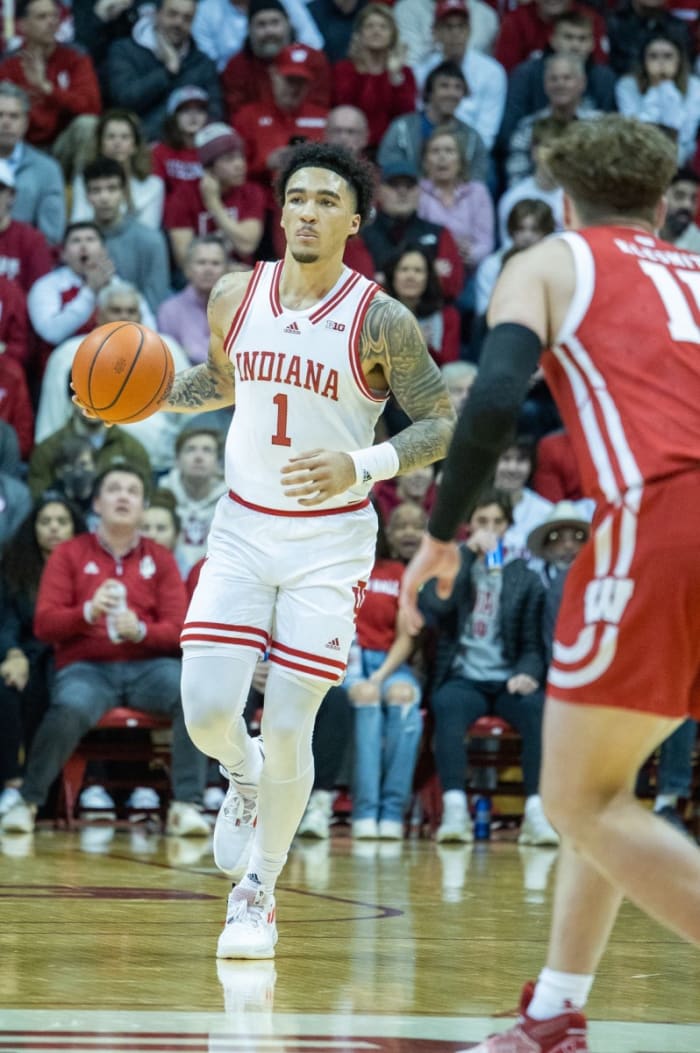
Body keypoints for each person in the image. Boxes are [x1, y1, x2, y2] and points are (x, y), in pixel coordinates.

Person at [76, 141, 455, 958]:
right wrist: (137, 398)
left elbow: (440, 425)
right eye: (298, 197)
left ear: (353, 222)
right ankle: (242, 780)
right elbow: (221, 381)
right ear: (280, 212)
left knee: (290, 727)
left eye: (327, 200)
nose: (309, 210)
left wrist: (363, 461)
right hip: (244, 526)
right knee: (210, 711)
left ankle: (259, 889)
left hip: (330, 542)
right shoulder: (233, 295)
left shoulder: (380, 317)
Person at [400, 114, 700, 1051]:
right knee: (607, 794)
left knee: (576, 801)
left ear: (566, 199)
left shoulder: (550, 260)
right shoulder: (694, 269)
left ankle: (553, 1011)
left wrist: (442, 532)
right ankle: (552, 1012)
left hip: (663, 516)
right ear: (662, 204)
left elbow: (491, 398)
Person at [0, 464, 210, 838]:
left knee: (192, 696)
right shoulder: (69, 554)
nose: (124, 496)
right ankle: (28, 802)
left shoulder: (160, 558)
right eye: (114, 489)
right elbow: (44, 625)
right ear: (97, 503)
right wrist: (87, 612)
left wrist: (142, 630)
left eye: (132, 490)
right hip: (86, 667)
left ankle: (186, 804)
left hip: (149, 667)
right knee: (69, 708)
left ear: (144, 507)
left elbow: (180, 630)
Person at [419, 489, 557, 847]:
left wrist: (528, 672)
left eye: (497, 522)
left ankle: (536, 814)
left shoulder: (523, 577)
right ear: (468, 526)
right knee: (447, 704)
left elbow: (532, 643)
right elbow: (435, 607)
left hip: (508, 677)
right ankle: (454, 812)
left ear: (508, 527)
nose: (489, 529)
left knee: (537, 708)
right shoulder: (452, 564)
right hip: (464, 676)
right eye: (482, 521)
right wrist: (465, 555)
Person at [0, 491, 85, 817]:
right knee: (9, 689)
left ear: (74, 527)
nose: (53, 528)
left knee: (54, 691)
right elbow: (6, 618)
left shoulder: (87, 565)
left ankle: (49, 796)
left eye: (61, 521)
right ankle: (12, 784)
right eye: (45, 521)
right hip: (29, 653)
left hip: (75, 655)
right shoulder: (15, 565)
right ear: (32, 527)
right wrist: (12, 653)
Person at [347, 501, 426, 840]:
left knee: (402, 695)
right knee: (366, 697)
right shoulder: (344, 569)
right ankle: (366, 810)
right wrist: (364, 678)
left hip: (391, 662)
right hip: (348, 660)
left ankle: (393, 810)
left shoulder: (398, 573)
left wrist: (380, 676)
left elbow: (406, 636)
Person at [104, 0, 224, 142]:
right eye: (172, 14)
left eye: (187, 18)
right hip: (139, 144)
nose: (179, 23)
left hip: (189, 145)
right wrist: (167, 73)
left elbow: (215, 112)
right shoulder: (124, 50)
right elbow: (125, 100)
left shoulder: (202, 63)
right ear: (156, 15)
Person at [165, 123, 265, 274]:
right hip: (199, 282)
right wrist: (224, 271)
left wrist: (214, 204)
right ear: (209, 168)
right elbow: (184, 260)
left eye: (241, 157)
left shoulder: (252, 192)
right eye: (229, 159)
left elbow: (246, 246)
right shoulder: (182, 197)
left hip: (241, 277)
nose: (240, 165)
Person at [413, 0, 507, 154]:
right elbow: (418, 120)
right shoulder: (422, 71)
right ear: (436, 32)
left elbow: (487, 134)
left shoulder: (492, 72)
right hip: (427, 150)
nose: (455, 33)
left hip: (474, 151)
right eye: (448, 27)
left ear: (469, 31)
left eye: (461, 26)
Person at [377, 60, 489, 187]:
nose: (452, 93)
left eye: (458, 87)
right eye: (444, 86)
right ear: (429, 92)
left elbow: (477, 180)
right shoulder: (402, 128)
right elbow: (389, 167)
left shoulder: (472, 138)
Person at [81, 157, 171, 314]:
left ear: (123, 192)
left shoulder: (150, 240)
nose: (104, 198)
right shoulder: (76, 240)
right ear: (87, 196)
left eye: (112, 189)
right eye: (96, 190)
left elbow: (155, 301)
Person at [220, 0, 330, 117]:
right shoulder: (236, 67)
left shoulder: (313, 60)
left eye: (275, 23)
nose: (269, 32)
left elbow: (320, 108)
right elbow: (237, 114)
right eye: (261, 25)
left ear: (288, 25)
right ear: (249, 30)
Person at [331, 4, 416, 151]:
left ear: (392, 35)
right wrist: (362, 71)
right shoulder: (344, 69)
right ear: (359, 34)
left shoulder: (405, 73)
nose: (376, 31)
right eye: (369, 26)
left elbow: (406, 116)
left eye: (383, 27)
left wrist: (395, 76)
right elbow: (344, 105)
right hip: (351, 147)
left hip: (392, 148)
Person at [71, 108, 166, 230]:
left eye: (125, 137)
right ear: (100, 144)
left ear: (135, 146)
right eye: (110, 137)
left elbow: (149, 233)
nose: (117, 143)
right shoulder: (82, 181)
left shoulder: (153, 186)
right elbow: (79, 224)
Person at [0, 80, 65, 244]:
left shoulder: (47, 170)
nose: (6, 123)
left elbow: (51, 234)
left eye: (14, 116)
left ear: (25, 123)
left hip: (26, 262)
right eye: (0, 115)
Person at [383, 244, 461, 366]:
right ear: (392, 275)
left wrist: (423, 347)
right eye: (404, 269)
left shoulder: (448, 317)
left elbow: (449, 369)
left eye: (418, 270)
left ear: (428, 277)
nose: (410, 276)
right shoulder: (376, 313)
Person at [157, 236, 229, 365]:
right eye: (201, 262)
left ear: (226, 270)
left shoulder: (241, 309)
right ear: (187, 269)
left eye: (215, 263)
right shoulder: (169, 311)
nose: (208, 270)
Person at [151, 86, 209, 209]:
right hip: (171, 216)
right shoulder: (159, 152)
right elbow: (155, 194)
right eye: (186, 110)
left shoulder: (215, 149)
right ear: (173, 117)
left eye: (199, 110)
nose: (193, 116)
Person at [658, 167, 700, 251]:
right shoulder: (645, 231)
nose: (687, 205)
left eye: (693, 198)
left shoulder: (697, 243)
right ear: (662, 198)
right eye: (679, 196)